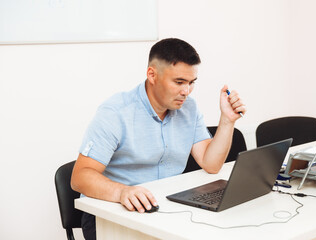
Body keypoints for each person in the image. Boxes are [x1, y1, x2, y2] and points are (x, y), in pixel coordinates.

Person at [71, 38, 246, 239]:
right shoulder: (116, 113)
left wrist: (227, 121)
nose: (186, 91)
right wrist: (122, 192)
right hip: (113, 214)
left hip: (164, 208)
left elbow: (211, 163)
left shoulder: (189, 108)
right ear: (152, 75)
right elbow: (80, 177)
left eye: (191, 83)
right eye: (179, 82)